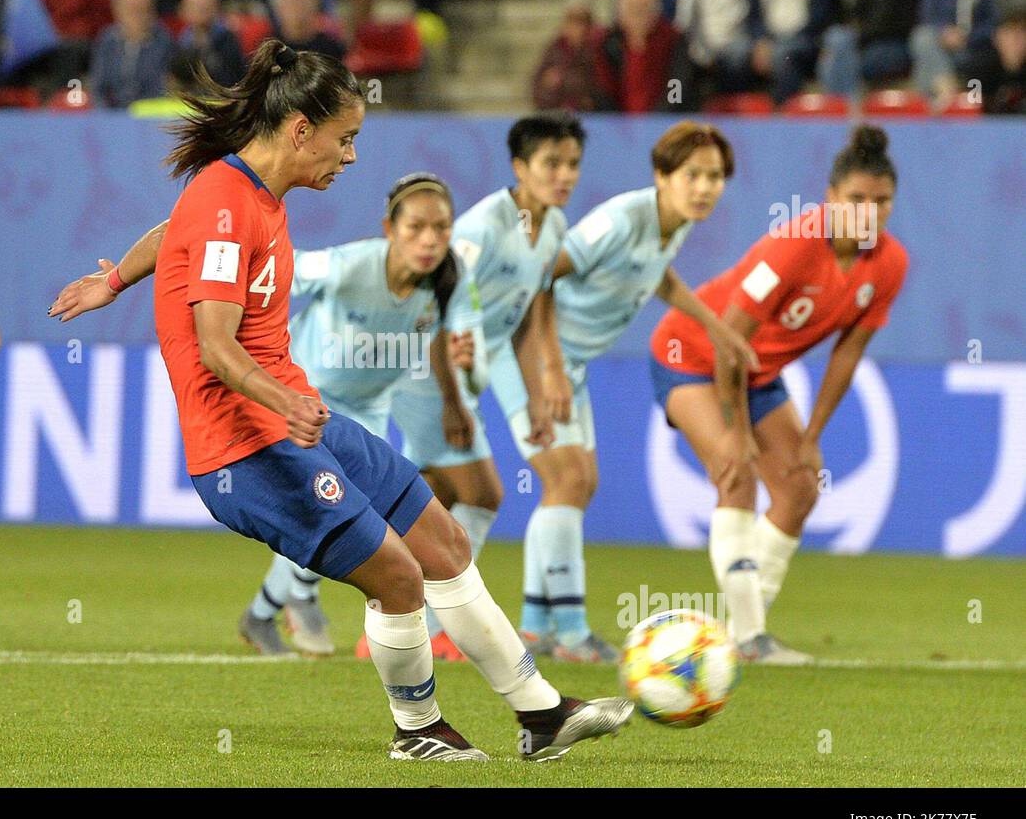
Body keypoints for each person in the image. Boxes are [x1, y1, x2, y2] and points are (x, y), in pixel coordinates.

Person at [48, 40, 631, 761]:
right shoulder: (228, 203)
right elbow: (216, 348)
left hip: (297, 417)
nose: (350, 157)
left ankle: (541, 715)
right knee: (397, 575)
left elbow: (175, 234)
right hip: (246, 447)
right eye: (344, 138)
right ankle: (416, 732)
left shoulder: (249, 197)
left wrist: (115, 281)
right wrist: (281, 403)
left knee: (444, 541)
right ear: (300, 130)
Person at [52, 173, 486, 657]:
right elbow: (274, 271)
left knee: (349, 519)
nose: (430, 240)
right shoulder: (347, 265)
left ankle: (273, 609)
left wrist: (457, 395)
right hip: (299, 400)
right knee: (339, 518)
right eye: (416, 227)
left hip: (366, 407)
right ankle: (300, 606)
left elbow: (448, 342)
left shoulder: (447, 279)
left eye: (442, 228)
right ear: (389, 228)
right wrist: (128, 282)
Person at [493, 122, 757, 663]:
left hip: (569, 360)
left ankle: (536, 627)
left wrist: (716, 326)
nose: (705, 187)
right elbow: (543, 275)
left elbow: (658, 276)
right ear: (662, 176)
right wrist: (551, 371)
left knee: (578, 482)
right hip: (530, 352)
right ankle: (569, 633)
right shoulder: (619, 219)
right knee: (567, 477)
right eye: (693, 175)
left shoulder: (673, 222)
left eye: (715, 177)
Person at [649, 125, 909, 663]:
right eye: (857, 199)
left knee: (799, 488)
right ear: (831, 198)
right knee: (736, 474)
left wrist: (812, 436)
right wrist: (739, 432)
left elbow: (846, 354)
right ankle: (748, 637)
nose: (869, 213)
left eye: (882, 202)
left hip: (756, 372)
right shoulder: (794, 245)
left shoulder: (889, 264)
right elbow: (729, 341)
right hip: (690, 352)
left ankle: (745, 629)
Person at [383, 113, 584, 658]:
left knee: (433, 496)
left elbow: (522, 317)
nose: (563, 175)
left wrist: (538, 392)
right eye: (551, 164)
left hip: (463, 368)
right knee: (484, 493)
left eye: (572, 165)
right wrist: (452, 400)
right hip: (425, 366)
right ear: (520, 168)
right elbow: (433, 308)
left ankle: (391, 614)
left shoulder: (555, 227)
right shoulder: (480, 230)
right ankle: (431, 622)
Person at [91, 0, 176, 108]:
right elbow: (98, 88)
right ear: (117, 10)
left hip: (149, 114)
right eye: (131, 10)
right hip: (112, 117)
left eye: (143, 10)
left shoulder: (163, 41)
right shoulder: (108, 40)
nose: (137, 16)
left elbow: (164, 88)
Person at [173, 0, 247, 88]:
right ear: (184, 8)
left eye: (206, 4)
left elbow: (232, 80)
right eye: (195, 4)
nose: (201, 9)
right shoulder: (179, 42)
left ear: (216, 7)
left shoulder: (228, 41)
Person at [269, 0, 346, 59]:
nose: (296, 7)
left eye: (301, 1)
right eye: (289, 1)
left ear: (315, 5)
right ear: (277, 8)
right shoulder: (268, 51)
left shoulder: (331, 49)